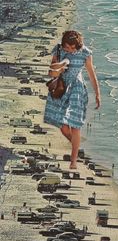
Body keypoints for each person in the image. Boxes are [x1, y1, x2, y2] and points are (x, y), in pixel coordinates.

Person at [44, 30, 101, 169]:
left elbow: (92, 74)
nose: (68, 50)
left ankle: (73, 161)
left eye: (71, 48)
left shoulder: (85, 53)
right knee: (63, 127)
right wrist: (59, 69)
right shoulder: (58, 49)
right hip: (61, 88)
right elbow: (51, 72)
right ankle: (77, 146)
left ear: (77, 46)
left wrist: (98, 94)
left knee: (75, 126)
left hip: (77, 89)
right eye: (66, 47)